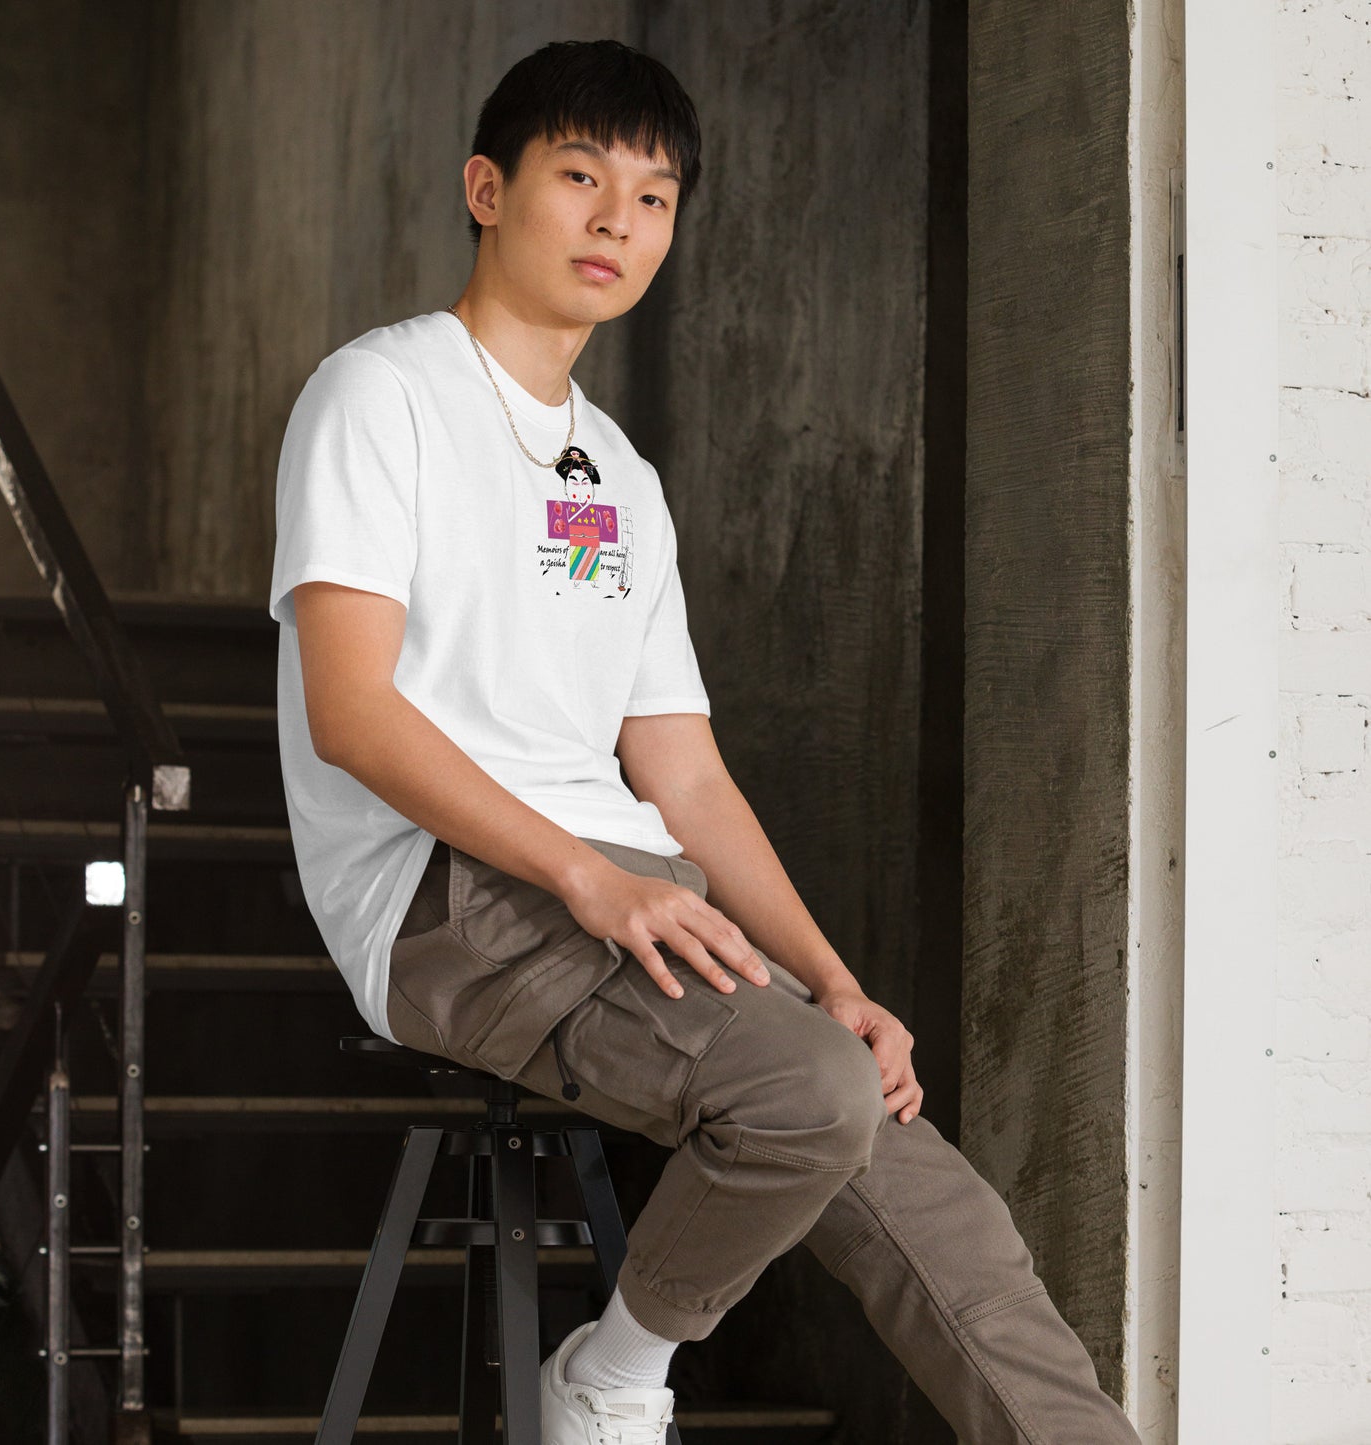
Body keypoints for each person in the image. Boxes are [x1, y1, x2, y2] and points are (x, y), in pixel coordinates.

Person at [268, 37, 1143, 1445]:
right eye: (579, 176)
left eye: (655, 196)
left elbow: (680, 773)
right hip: (448, 891)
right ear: (486, 190)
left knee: (938, 1204)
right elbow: (353, 712)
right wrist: (588, 877)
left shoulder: (619, 472)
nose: (619, 221)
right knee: (803, 1091)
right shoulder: (380, 396)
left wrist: (832, 977)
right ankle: (612, 1376)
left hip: (625, 881)